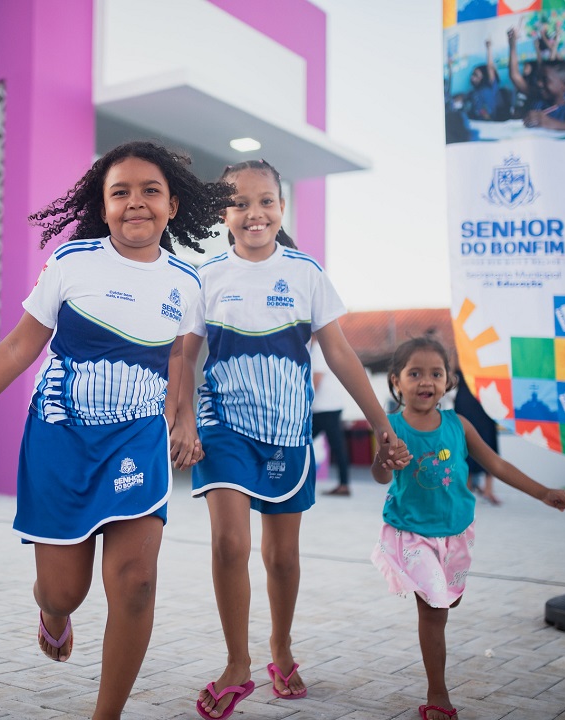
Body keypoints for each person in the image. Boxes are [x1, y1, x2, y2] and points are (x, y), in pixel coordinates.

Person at [0, 141, 233, 720]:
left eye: (150, 190)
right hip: (60, 436)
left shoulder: (187, 283)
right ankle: (53, 615)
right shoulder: (72, 263)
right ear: (103, 207)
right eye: (121, 192)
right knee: (65, 591)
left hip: (136, 440)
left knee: (135, 582)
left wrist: (183, 417)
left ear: (173, 206)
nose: (136, 202)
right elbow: (17, 347)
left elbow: (181, 357)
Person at [179, 159, 410, 720]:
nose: (253, 213)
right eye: (239, 203)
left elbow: (340, 354)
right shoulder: (205, 277)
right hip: (224, 424)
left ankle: (281, 650)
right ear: (223, 214)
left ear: (281, 208)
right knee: (230, 544)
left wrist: (383, 423)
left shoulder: (306, 273)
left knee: (282, 557)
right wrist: (181, 417)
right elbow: (183, 356)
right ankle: (239, 664)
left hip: (287, 431)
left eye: (265, 202)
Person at [371, 337, 565, 720]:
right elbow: (380, 476)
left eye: (436, 373)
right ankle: (437, 694)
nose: (426, 381)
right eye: (415, 373)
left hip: (457, 532)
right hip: (410, 532)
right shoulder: (390, 428)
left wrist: (542, 492)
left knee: (449, 599)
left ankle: (441, 600)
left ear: (449, 382)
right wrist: (385, 459)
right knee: (434, 609)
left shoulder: (458, 425)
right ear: (397, 380)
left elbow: (496, 465)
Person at [452, 369, 500, 505]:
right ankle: (467, 488)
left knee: (488, 442)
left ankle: (488, 489)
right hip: (467, 401)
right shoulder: (462, 355)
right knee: (465, 444)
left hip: (484, 400)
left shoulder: (487, 358)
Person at [311, 338, 351, 496]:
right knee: (337, 446)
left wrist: (304, 402)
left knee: (300, 442)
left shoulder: (319, 348)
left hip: (326, 407)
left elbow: (317, 379)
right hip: (325, 407)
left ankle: (344, 484)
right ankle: (344, 484)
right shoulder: (317, 348)